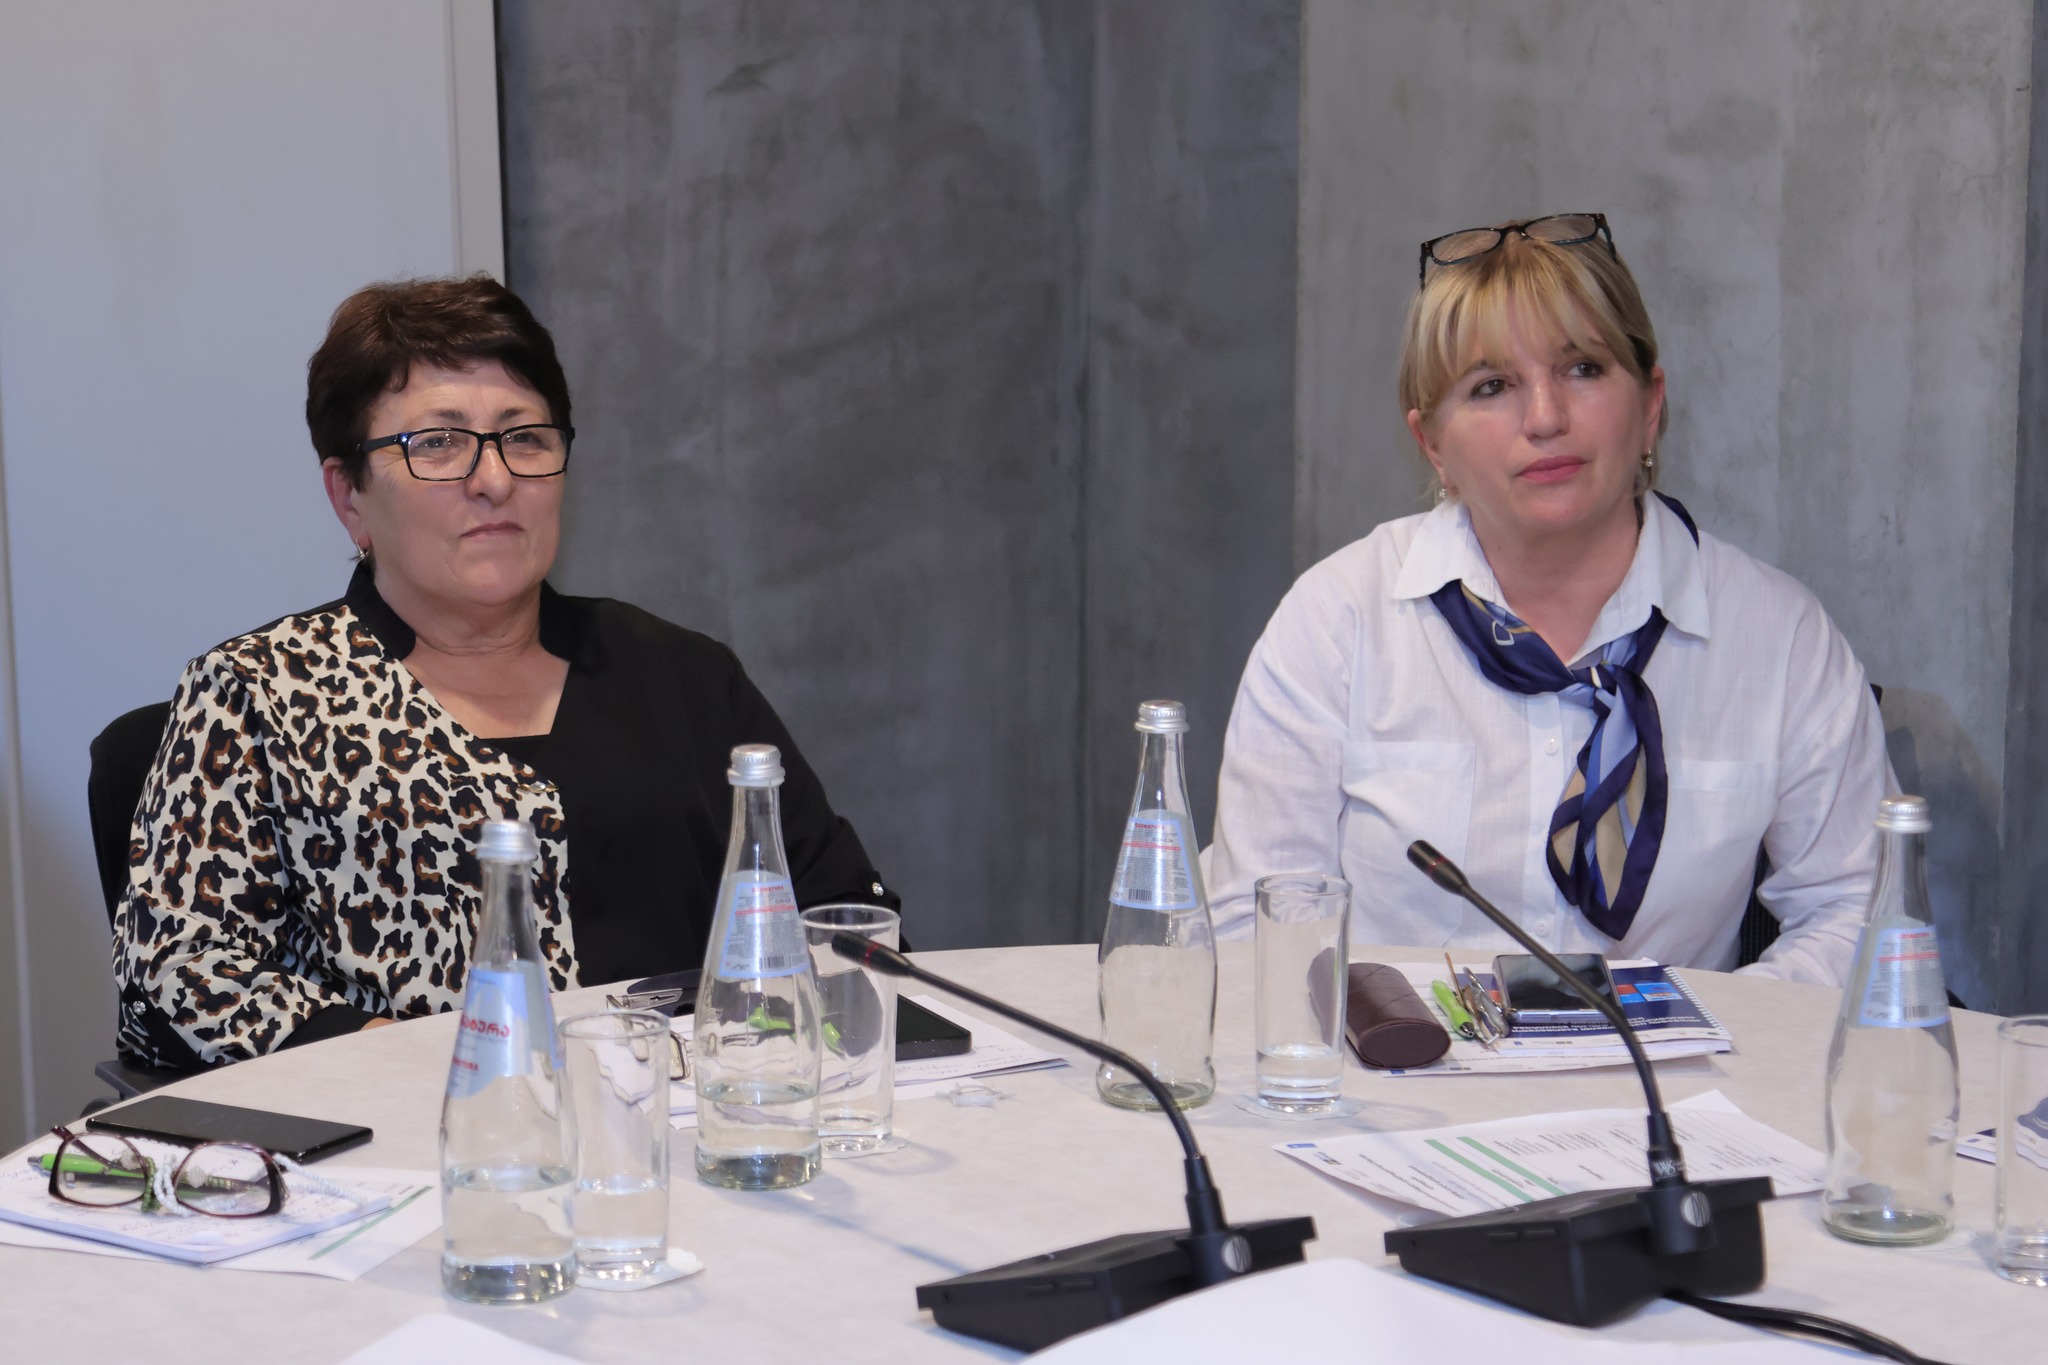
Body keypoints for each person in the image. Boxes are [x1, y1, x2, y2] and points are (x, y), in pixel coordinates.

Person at [110, 276, 896, 1068]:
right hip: (414, 1128)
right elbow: (178, 973)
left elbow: (844, 917)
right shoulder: (258, 695)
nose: (494, 479)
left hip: (700, 1110)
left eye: (524, 437)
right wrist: (421, 1062)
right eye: (438, 443)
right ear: (349, 495)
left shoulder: (683, 673)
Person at [1203, 214, 1888, 984]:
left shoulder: (1779, 637)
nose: (1545, 418)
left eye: (1583, 369)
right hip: (1403, 1057)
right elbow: (1255, 921)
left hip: (1672, 1061)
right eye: (1491, 386)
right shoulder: (1336, 620)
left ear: (1650, 405)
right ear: (1433, 444)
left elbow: (1860, 914)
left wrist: (1707, 1030)